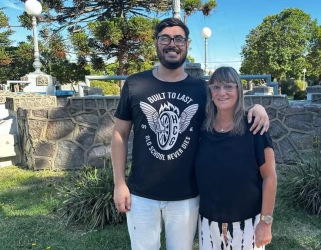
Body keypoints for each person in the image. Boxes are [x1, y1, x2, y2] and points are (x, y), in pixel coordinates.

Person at [111, 18, 270, 250]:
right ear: (156, 42)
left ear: (186, 45)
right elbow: (119, 135)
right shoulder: (136, 84)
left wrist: (257, 109)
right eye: (165, 38)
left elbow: (226, 107)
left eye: (178, 39)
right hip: (141, 195)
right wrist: (119, 183)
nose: (171, 44)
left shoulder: (200, 89)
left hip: (186, 196)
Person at [195, 66, 277, 250]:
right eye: (216, 87)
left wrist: (265, 223)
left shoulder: (255, 127)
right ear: (210, 92)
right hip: (209, 224)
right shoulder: (202, 129)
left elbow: (269, 177)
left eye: (228, 86)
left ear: (238, 90)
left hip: (248, 225)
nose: (222, 92)